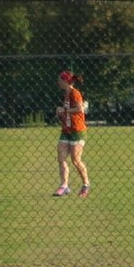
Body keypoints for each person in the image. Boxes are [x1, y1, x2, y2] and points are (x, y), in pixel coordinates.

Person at [53, 70, 90, 198]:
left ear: (65, 81)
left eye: (60, 79)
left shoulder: (75, 93)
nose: (58, 81)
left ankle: (86, 184)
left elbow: (80, 109)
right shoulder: (66, 94)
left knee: (75, 160)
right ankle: (64, 186)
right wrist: (60, 113)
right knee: (61, 157)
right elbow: (67, 113)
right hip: (66, 130)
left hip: (77, 131)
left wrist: (64, 110)